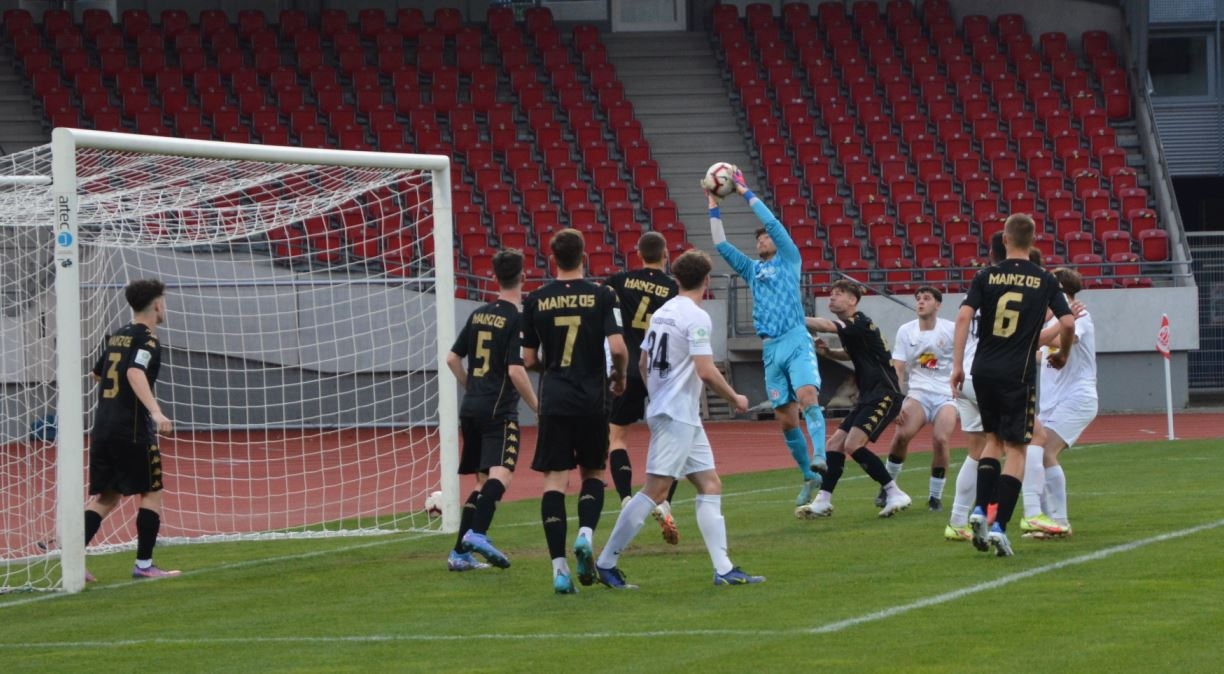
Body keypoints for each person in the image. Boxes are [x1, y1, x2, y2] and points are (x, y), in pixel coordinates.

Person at [594, 249, 763, 589]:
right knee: (655, 491)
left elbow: (642, 364)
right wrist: (735, 397)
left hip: (675, 411)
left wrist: (659, 395)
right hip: (677, 414)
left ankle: (724, 569)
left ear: (676, 279)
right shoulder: (696, 316)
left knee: (710, 483)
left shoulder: (662, 313)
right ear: (706, 281)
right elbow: (705, 369)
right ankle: (606, 562)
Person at [951, 213, 1075, 557]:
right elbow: (1067, 322)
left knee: (992, 442)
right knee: (1018, 450)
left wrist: (957, 366)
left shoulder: (985, 275)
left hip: (983, 370)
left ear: (1004, 239)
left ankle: (979, 511)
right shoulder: (1044, 279)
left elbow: (963, 317)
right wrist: (1062, 354)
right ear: (1033, 241)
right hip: (1017, 373)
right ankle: (999, 527)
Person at [707, 169, 826, 508]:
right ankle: (809, 474)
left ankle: (821, 455)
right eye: (758, 238)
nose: (762, 239)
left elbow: (773, 223)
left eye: (766, 237)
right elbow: (720, 244)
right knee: (786, 417)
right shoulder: (751, 270)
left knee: (807, 396)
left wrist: (745, 192)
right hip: (770, 347)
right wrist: (713, 206)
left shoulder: (790, 259)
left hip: (795, 338)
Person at [522, 228, 628, 594]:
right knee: (594, 473)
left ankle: (559, 570)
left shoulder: (535, 298)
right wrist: (619, 376)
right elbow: (617, 347)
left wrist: (551, 369)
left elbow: (528, 358)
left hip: (555, 397)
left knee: (554, 481)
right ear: (584, 256)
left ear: (553, 258)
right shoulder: (602, 294)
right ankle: (585, 534)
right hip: (591, 397)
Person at [444, 249, 540, 572]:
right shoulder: (516, 318)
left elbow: (452, 359)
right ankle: (479, 534)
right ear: (523, 277)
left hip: (470, 408)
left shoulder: (478, 314)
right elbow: (516, 371)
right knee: (502, 474)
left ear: (494, 277)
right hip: (498, 410)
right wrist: (538, 407)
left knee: (481, 481)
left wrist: (469, 385)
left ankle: (459, 554)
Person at [83, 278, 179, 580]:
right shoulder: (148, 340)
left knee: (106, 497)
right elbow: (135, 371)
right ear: (157, 305)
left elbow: (98, 374)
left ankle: (72, 560)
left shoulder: (118, 336)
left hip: (103, 427)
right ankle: (144, 565)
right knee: (151, 492)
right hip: (132, 429)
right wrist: (155, 411)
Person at [797, 279, 913, 518]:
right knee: (834, 445)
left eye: (838, 294)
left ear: (852, 300)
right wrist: (829, 352)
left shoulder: (858, 322)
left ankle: (894, 492)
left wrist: (794, 317)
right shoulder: (854, 328)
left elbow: (826, 326)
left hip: (884, 393)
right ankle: (823, 500)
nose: (831, 297)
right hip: (870, 395)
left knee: (852, 445)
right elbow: (851, 353)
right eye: (831, 293)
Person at [602, 231, 681, 544]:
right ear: (665, 254)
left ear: (638, 252)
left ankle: (625, 498)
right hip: (662, 371)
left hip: (629, 368)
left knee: (618, 436)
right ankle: (663, 502)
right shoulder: (674, 288)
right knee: (672, 438)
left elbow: (601, 302)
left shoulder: (619, 280)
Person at [1020, 267, 1097, 539]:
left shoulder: (1080, 315)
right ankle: (1046, 522)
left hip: (1078, 396)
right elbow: (1040, 353)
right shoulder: (1052, 321)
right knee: (1035, 454)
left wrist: (1054, 328)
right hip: (1052, 401)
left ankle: (1059, 522)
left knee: (1044, 451)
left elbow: (1069, 335)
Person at [881, 286, 958, 512]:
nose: (921, 302)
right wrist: (897, 399)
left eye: (926, 299)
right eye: (918, 299)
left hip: (946, 394)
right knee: (902, 435)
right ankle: (888, 486)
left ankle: (935, 497)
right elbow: (899, 367)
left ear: (938, 304)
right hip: (919, 392)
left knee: (941, 440)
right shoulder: (906, 331)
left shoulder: (951, 329)